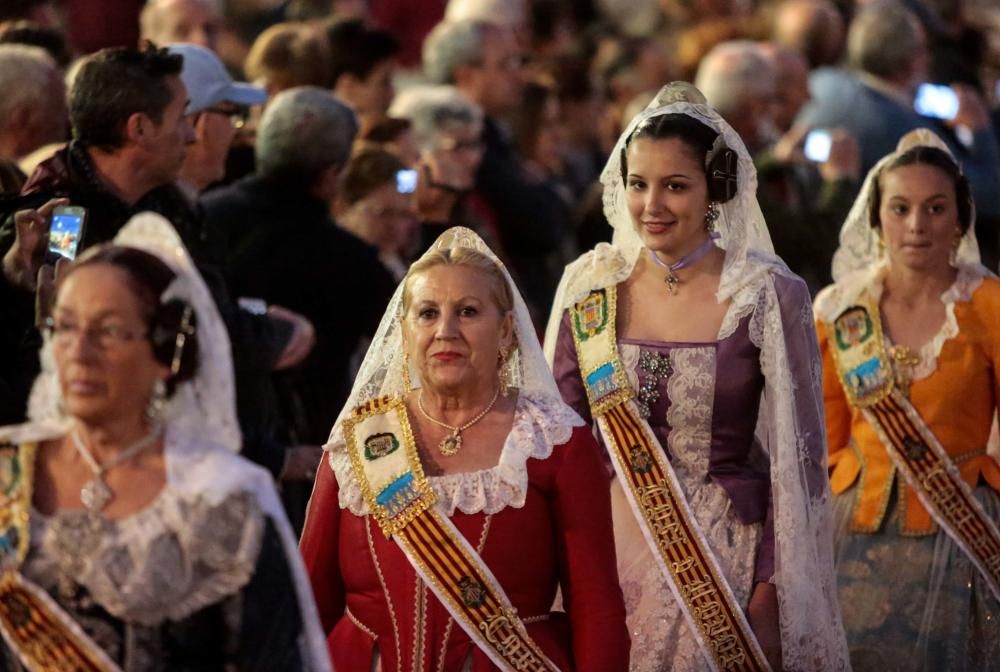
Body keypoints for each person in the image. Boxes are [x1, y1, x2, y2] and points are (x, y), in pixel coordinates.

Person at [544, 82, 849, 671]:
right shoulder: (592, 288)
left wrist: (773, 586)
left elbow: (801, 460)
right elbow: (561, 435)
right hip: (606, 552)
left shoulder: (763, 294)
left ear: (715, 191)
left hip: (728, 557)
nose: (651, 205)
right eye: (638, 184)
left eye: (675, 186)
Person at [0, 212, 330, 670]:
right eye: (66, 326)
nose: (79, 351)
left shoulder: (222, 496)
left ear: (167, 354)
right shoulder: (7, 469)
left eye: (109, 331)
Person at [300, 226, 630, 670]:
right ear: (404, 330)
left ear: (508, 331)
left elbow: (596, 607)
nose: (445, 331)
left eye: (468, 312)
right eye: (427, 313)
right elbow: (308, 602)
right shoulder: (358, 441)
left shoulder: (552, 442)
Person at [813, 129, 1000, 669]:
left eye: (935, 209)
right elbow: (825, 442)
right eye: (900, 208)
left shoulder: (988, 306)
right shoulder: (839, 310)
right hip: (857, 527)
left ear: (959, 221)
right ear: (877, 220)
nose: (916, 225)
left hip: (963, 527)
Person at [335, 148, 417, 281]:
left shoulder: (404, 269)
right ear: (343, 207)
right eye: (384, 213)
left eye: (403, 214)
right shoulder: (334, 271)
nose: (395, 226)